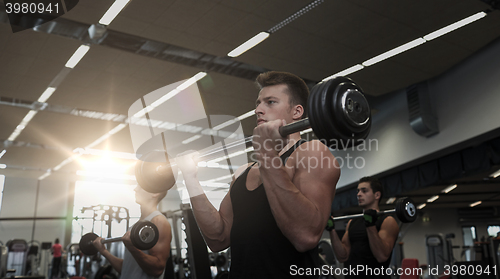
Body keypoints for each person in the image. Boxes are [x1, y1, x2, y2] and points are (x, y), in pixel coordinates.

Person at [177, 71, 340, 278]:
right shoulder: (243, 172)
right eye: (258, 103)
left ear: (297, 112)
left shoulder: (312, 152)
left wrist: (265, 152)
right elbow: (218, 239)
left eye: (270, 102)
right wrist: (191, 179)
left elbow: (306, 236)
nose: (258, 109)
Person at [92, 185, 172, 279]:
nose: (135, 189)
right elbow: (126, 268)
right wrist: (104, 251)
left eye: (141, 186)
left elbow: (157, 269)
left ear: (155, 193)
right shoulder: (135, 226)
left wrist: (132, 248)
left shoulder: (159, 222)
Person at [326, 177, 399, 279]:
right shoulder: (352, 222)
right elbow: (342, 256)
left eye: (364, 191)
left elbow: (381, 256)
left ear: (377, 195)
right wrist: (332, 230)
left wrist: (370, 225)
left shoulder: (387, 221)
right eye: (358, 191)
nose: (359, 194)